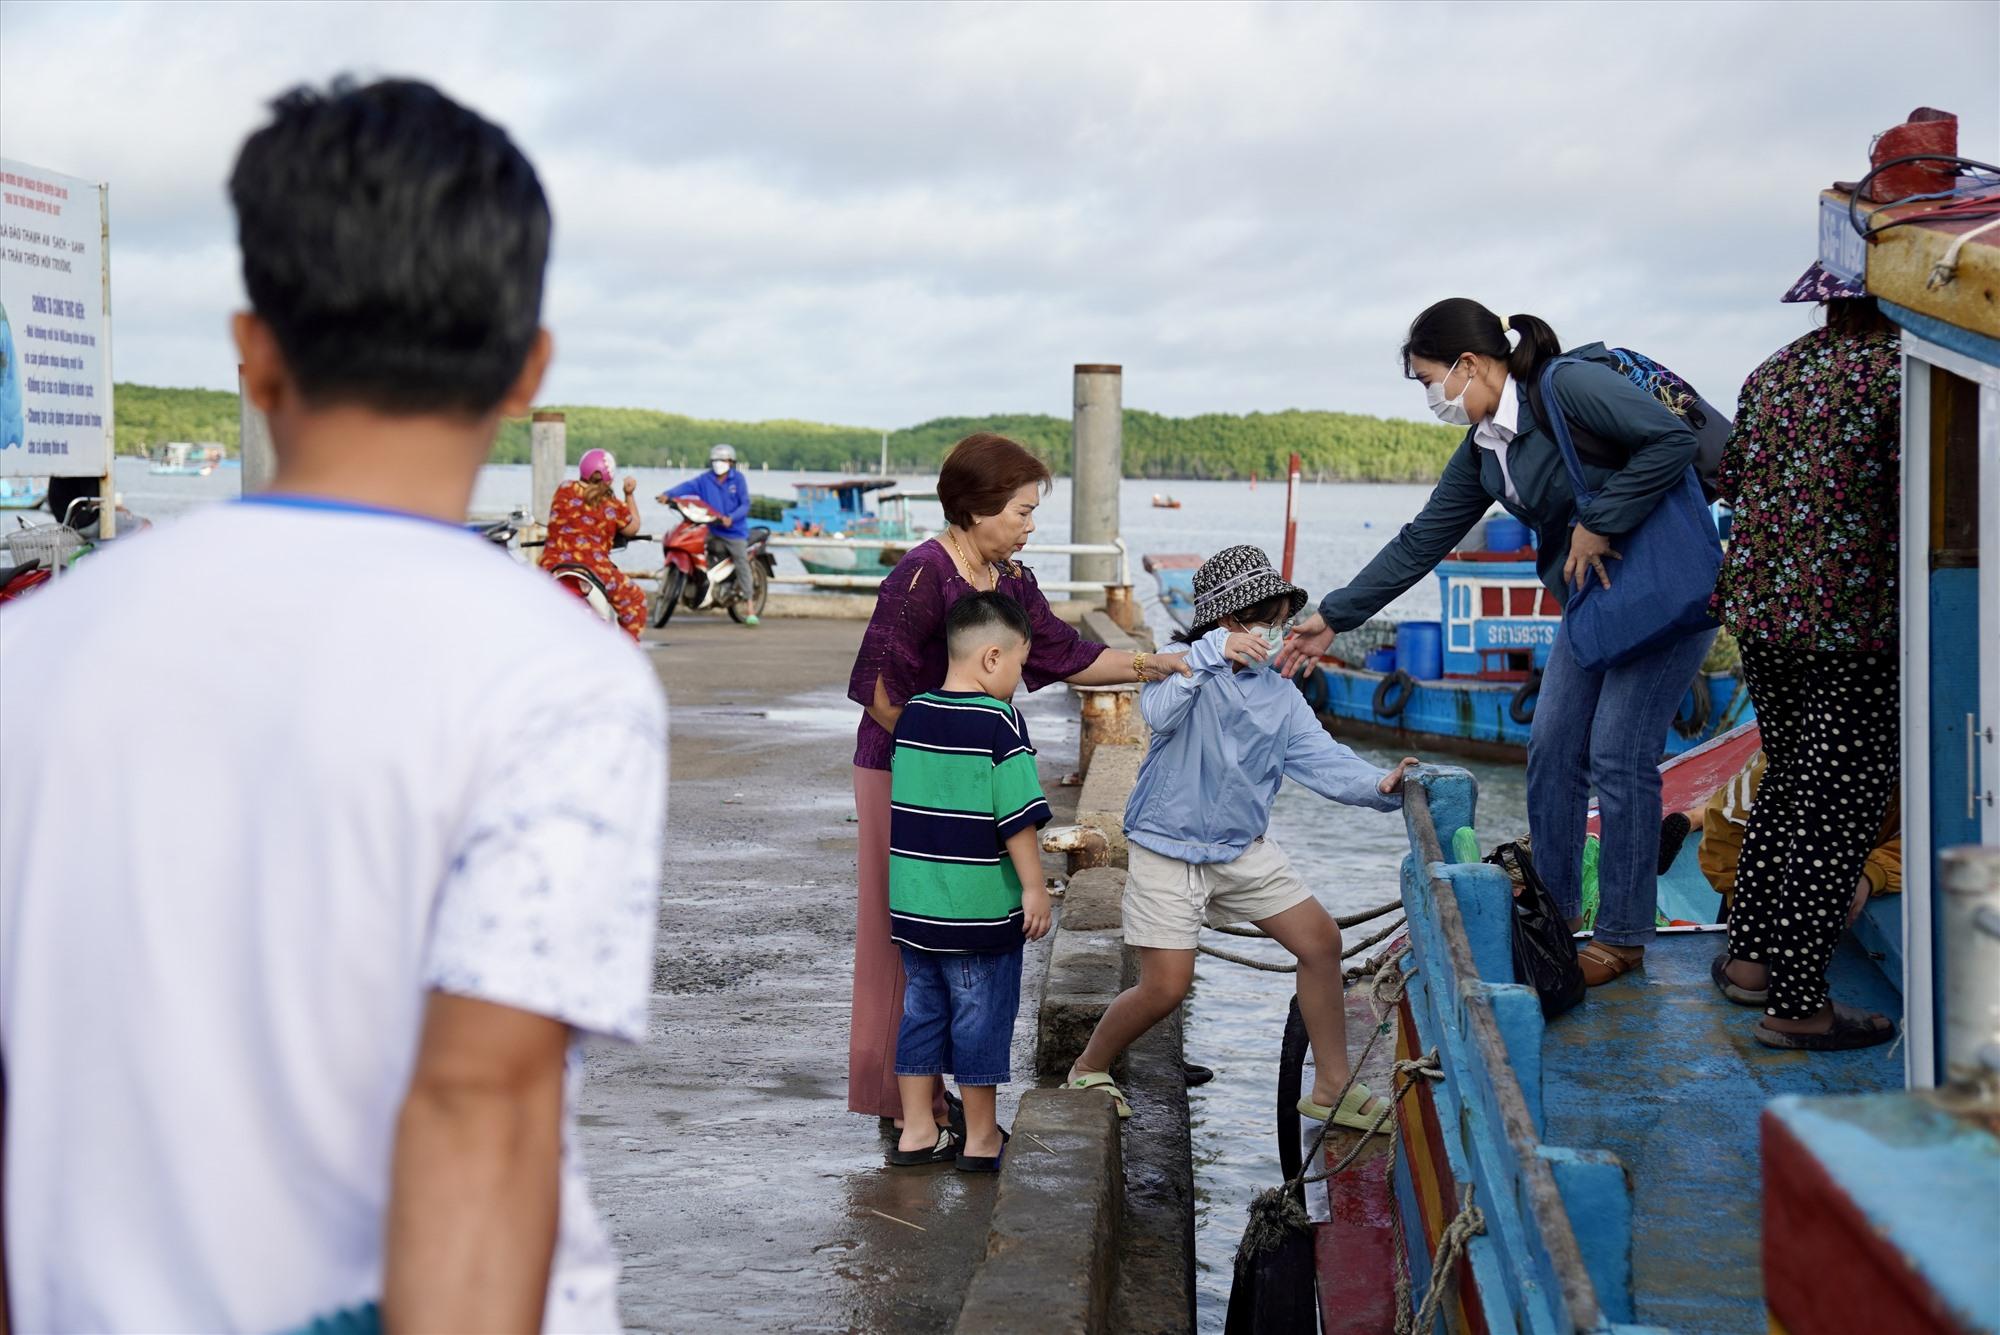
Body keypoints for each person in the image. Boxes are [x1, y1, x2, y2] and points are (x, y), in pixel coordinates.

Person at [0, 79, 669, 1334]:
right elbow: (483, 1108)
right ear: (529, 370)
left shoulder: (36, 649)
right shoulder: (551, 675)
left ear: (251, 350)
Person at [1279, 299, 1714, 989]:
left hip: (1664, 587)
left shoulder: (1567, 387)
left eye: (1430, 380)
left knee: (1619, 754)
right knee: (1551, 748)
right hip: (1594, 598)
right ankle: (1557, 914)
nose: (1432, 398)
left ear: (1472, 363)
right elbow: (1422, 539)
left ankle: (1624, 936)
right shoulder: (1483, 452)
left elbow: (1670, 441)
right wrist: (1334, 615)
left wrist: (1599, 521)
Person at [845, 431, 1190, 1132]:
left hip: (979, 780)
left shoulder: (1010, 579)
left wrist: (1153, 665)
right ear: (976, 508)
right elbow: (879, 690)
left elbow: (1066, 653)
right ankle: (905, 1102)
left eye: (1034, 513)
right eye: (1023, 512)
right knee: (905, 929)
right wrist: (946, 757)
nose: (1031, 526)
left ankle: (938, 1098)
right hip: (905, 775)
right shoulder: (919, 576)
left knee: (966, 928)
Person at [1065, 546, 1417, 1127]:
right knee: (1165, 988)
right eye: (1263, 619)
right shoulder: (1177, 665)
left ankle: (1331, 1086)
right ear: (1225, 621)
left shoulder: (1280, 695)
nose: (1273, 632)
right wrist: (1206, 658)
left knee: (1321, 942)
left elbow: (1323, 760)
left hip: (1240, 850)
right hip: (1166, 849)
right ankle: (1089, 1065)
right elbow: (1159, 715)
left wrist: (1382, 784)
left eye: (1278, 620)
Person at [1708, 265, 1903, 1050]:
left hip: (1762, 615)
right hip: (1851, 623)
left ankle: (1750, 958)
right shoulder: (1901, 375)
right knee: (1838, 808)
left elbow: (1734, 475)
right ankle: (1796, 1002)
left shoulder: (1778, 368)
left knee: (1789, 778)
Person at [884, 592, 1054, 1171]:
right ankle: (981, 1139)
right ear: (990, 658)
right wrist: (1034, 888)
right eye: (1018, 664)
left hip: (916, 908)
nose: (1019, 678)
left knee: (922, 1014)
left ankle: (917, 1132)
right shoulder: (999, 720)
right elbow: (1018, 817)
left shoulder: (913, 714)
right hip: (979, 913)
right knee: (980, 1018)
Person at [1699, 751, 1900, 935]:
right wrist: (1741, 899)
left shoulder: (1922, 772)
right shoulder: (1787, 759)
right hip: (1760, 879)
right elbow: (1725, 825)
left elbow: (1926, 846)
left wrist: (1871, 872)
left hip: (1846, 886)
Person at [543, 447, 648, 639]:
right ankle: (627, 653)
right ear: (610, 476)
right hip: (594, 569)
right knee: (636, 601)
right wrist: (629, 494)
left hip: (553, 567)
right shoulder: (612, 504)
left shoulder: (564, 488)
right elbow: (633, 528)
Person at [663, 443, 757, 625]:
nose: (718, 463)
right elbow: (687, 487)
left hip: (734, 532)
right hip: (712, 529)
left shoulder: (738, 480)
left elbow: (745, 504)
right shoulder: (705, 480)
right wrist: (668, 495)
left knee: (741, 562)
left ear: (731, 462)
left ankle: (750, 606)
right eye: (715, 460)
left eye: (722, 460)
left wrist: (732, 517)